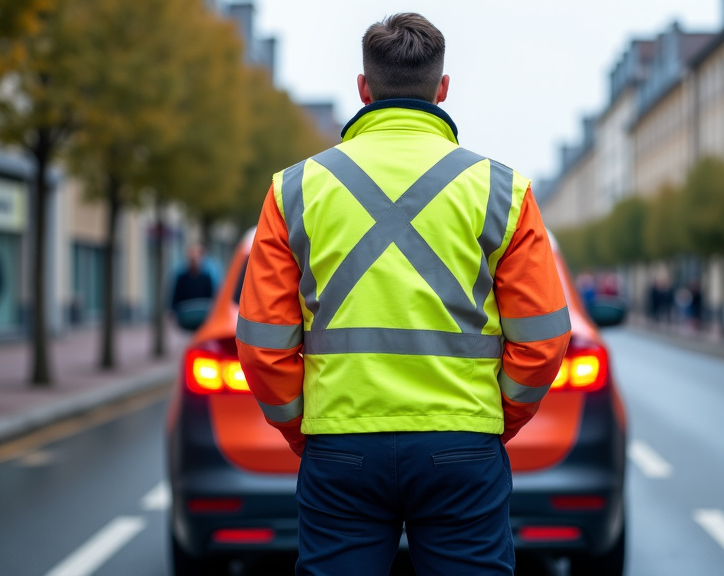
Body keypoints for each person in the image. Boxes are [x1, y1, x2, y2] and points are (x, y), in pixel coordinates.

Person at [236, 13, 571, 576]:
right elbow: (543, 338)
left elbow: (263, 344)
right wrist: (495, 420)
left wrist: (303, 429)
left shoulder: (293, 190)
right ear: (442, 89)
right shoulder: (503, 192)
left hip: (340, 446)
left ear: (364, 89)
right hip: (462, 445)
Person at [169, 244, 215, 314]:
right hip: (185, 317)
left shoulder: (206, 279)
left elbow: (211, 299)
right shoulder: (182, 279)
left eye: (197, 258)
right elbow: (175, 300)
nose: (195, 262)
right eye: (192, 259)